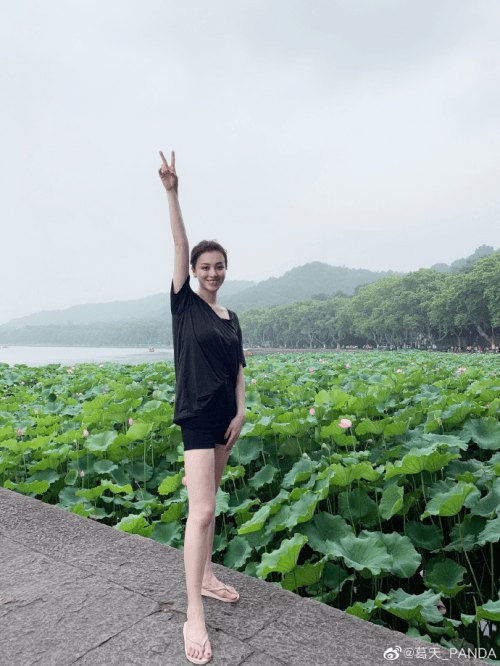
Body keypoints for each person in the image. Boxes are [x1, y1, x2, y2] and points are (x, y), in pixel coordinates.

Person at [159, 150, 246, 665]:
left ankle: (208, 576)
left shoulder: (232, 316)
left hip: (224, 419)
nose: (212, 272)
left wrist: (241, 412)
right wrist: (172, 192)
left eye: (219, 267)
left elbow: (238, 370)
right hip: (195, 413)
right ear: (193, 272)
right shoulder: (183, 304)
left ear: (225, 271)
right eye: (204, 267)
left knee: (211, 507)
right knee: (203, 508)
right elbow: (178, 240)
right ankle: (194, 610)